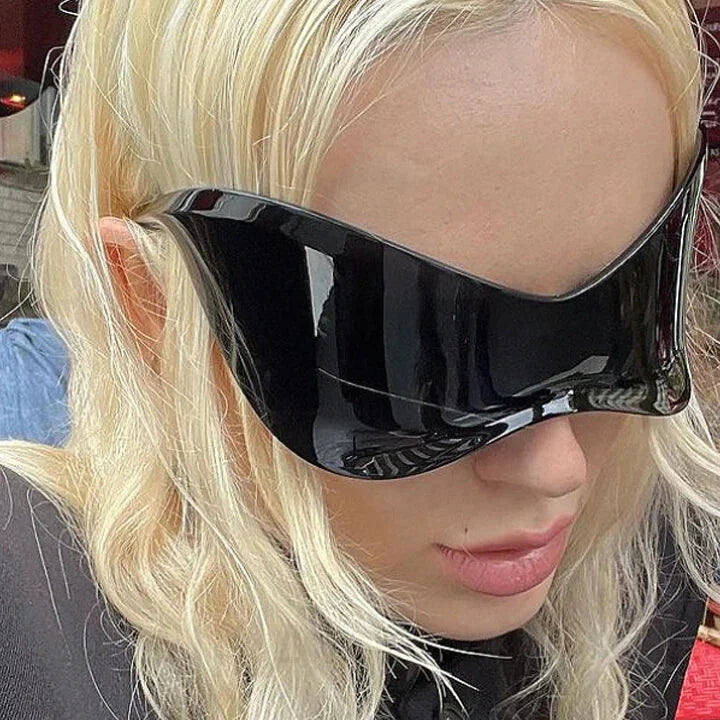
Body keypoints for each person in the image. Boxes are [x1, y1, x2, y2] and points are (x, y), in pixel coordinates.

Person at [0, 1, 719, 719]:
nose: (559, 469)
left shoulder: (641, 567)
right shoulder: (33, 628)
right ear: (153, 303)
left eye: (620, 325)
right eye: (416, 356)